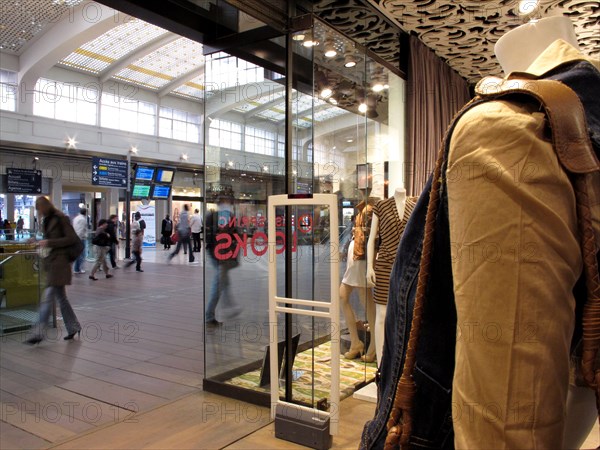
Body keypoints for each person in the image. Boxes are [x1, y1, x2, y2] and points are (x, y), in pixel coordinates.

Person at [25, 197, 81, 344]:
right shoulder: (48, 220)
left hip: (60, 263)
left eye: (40, 209)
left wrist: (49, 242)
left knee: (48, 297)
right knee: (61, 298)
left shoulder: (61, 218)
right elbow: (48, 238)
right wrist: (37, 241)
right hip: (53, 262)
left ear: (45, 206)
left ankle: (38, 332)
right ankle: (74, 327)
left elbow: (71, 239)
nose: (40, 212)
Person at [205, 195, 241, 326]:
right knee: (218, 285)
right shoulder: (222, 216)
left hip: (219, 255)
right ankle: (209, 316)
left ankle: (230, 306)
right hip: (221, 256)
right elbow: (230, 234)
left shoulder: (215, 216)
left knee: (224, 282)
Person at [72, 207, 87, 274]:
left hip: (75, 238)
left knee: (78, 254)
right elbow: (81, 230)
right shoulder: (83, 219)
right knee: (81, 254)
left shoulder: (76, 218)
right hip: (80, 239)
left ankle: (76, 268)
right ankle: (78, 268)